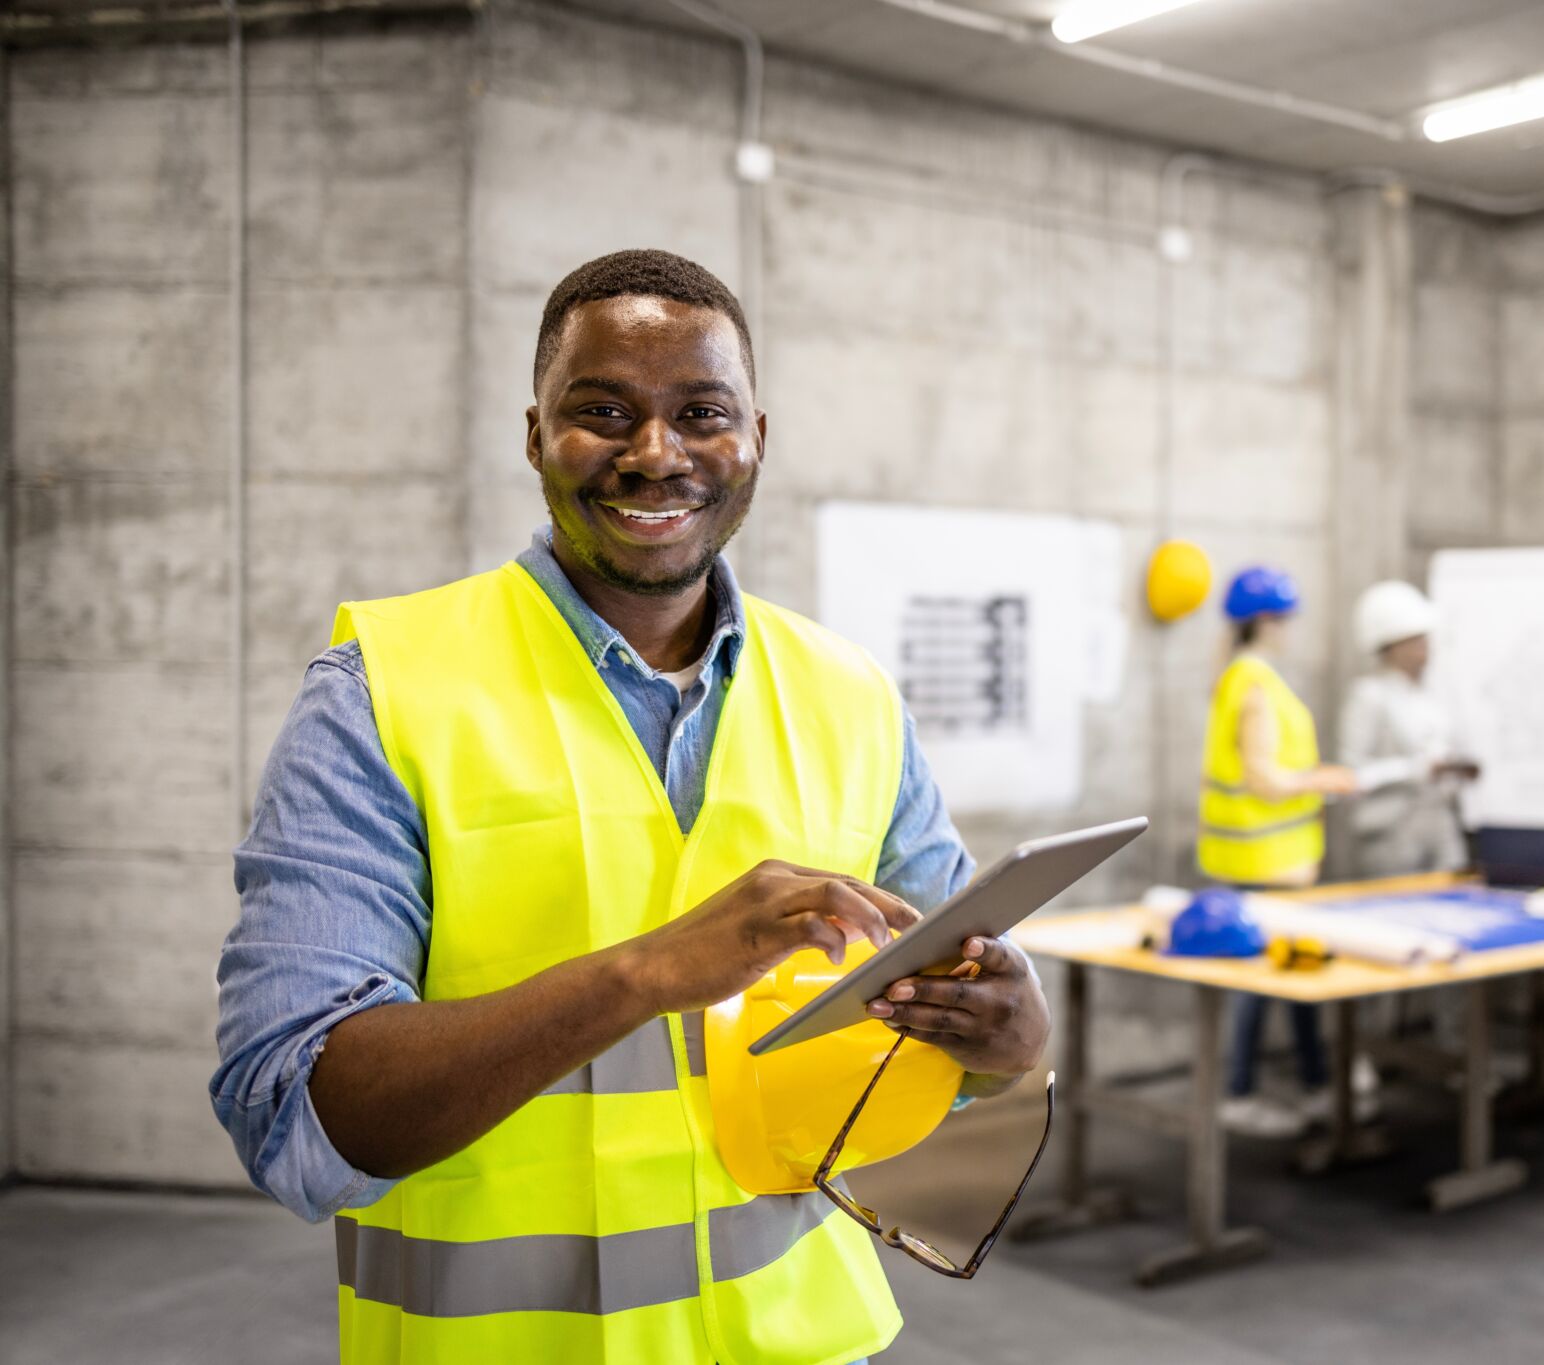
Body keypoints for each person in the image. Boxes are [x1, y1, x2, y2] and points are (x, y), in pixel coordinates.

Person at [210, 249, 1051, 1365]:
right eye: (601, 412)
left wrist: (1009, 1034)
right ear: (534, 435)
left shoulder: (847, 693)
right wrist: (643, 975)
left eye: (700, 413)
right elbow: (295, 1120)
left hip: (799, 1345)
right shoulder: (383, 693)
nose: (655, 454)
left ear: (756, 437)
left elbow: (946, 1025)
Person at [1198, 567, 1358, 1137]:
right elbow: (1264, 778)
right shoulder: (1256, 683)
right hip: (1265, 864)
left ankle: (1318, 1083)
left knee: (1290, 979)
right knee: (1260, 986)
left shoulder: (1235, 677)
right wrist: (1325, 780)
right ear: (1267, 621)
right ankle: (1241, 1092)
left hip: (1254, 860)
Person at [1339, 581, 1479, 880]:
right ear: (1390, 645)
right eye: (1414, 640)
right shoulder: (1370, 695)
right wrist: (1412, 769)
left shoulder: (1436, 691)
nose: (1424, 647)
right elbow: (1351, 775)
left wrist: (1455, 768)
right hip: (1391, 831)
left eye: (1425, 638)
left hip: (1440, 822)